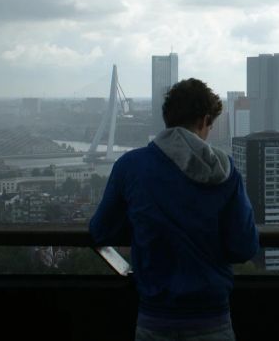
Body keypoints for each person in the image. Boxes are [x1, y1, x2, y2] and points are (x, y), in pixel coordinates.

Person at [90, 78, 259, 341]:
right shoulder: (226, 172)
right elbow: (244, 247)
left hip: (154, 320)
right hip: (212, 319)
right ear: (204, 121)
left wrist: (143, 226)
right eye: (210, 126)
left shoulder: (130, 166)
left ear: (167, 118)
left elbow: (100, 230)